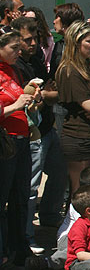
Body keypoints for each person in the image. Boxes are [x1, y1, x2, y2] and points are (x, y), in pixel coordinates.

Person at [11, 17, 66, 251]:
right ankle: (26, 235)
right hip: (32, 132)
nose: (32, 44)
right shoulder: (15, 65)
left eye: (35, 39)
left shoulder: (32, 60)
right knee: (30, 187)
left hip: (47, 128)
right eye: (27, 40)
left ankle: (49, 216)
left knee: (59, 173)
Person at [56, 21, 90, 194]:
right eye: (89, 41)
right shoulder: (70, 70)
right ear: (76, 43)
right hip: (78, 138)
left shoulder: (88, 66)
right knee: (81, 191)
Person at [0, 30, 36, 267]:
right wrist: (16, 105)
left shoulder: (12, 69)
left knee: (20, 197)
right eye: (14, 48)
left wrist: (30, 97)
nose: (19, 52)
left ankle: (18, 248)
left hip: (21, 139)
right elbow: (10, 105)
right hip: (6, 142)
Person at [51, 167, 90, 270]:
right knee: (69, 252)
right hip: (70, 238)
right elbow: (80, 249)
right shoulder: (82, 204)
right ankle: (49, 262)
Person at [24, 6, 55, 71]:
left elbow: (48, 60)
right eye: (25, 19)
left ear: (37, 21)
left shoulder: (47, 37)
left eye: (31, 20)